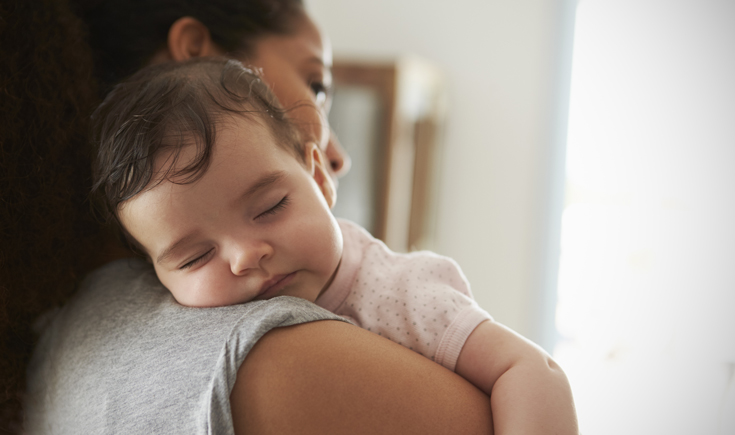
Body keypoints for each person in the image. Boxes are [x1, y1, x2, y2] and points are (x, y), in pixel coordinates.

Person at [12, 0, 501, 433]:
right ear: (198, 53)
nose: (245, 256)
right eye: (316, 85)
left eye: (269, 207)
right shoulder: (275, 364)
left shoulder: (57, 336)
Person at [89, 57, 579, 435]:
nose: (245, 256)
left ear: (319, 176)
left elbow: (533, 370)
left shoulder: (400, 291)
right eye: (195, 257)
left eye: (270, 207)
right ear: (155, 273)